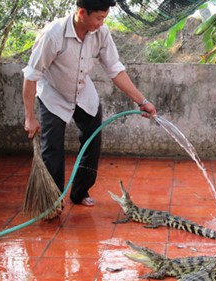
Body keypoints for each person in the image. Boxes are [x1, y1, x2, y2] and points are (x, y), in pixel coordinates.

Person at [22, 0, 157, 211]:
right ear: (82, 12)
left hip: (83, 92)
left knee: (92, 140)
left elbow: (115, 70)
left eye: (104, 18)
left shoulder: (101, 34)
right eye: (99, 18)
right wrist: (30, 117)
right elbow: (31, 77)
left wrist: (143, 101)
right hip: (53, 95)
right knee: (52, 148)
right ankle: (52, 200)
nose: (102, 23)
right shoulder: (53, 35)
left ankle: (80, 192)